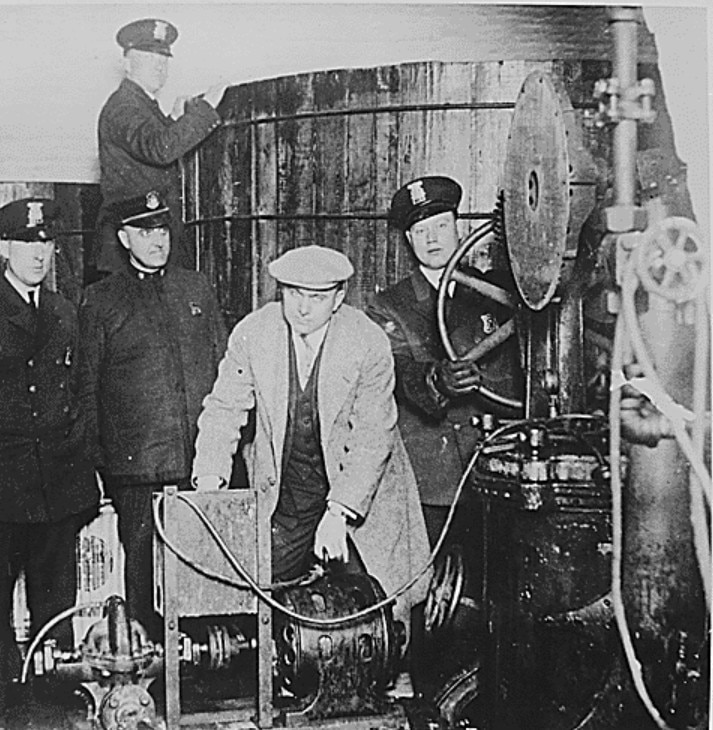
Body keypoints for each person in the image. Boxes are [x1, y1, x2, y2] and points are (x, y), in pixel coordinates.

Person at [191, 245, 431, 628]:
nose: (303, 308)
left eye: (316, 297)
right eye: (293, 293)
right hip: (288, 492)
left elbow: (372, 437)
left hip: (359, 488)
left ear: (338, 298)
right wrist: (209, 480)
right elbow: (224, 409)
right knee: (264, 600)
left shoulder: (367, 342)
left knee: (377, 610)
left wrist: (339, 512)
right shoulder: (254, 334)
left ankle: (394, 679)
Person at [0, 198, 98, 728]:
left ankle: (53, 712)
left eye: (46, 243)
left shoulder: (63, 313)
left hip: (56, 490)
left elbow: (79, 393)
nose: (38, 253)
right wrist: (2, 457)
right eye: (27, 243)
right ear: (5, 248)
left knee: (57, 613)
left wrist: (67, 456)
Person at [79, 190, 228, 641]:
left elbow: (226, 365)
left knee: (204, 567)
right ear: (124, 238)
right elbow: (87, 388)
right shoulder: (101, 300)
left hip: (199, 464)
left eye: (161, 230)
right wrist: (98, 465)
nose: (156, 240)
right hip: (137, 468)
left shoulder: (195, 287)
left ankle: (203, 666)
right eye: (144, 231)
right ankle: (151, 668)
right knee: (142, 574)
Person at [366, 176, 522, 570]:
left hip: (494, 470)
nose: (432, 239)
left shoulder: (500, 293)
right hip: (428, 482)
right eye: (420, 231)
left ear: (459, 228)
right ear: (408, 240)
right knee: (427, 589)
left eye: (441, 226)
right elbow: (397, 368)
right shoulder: (388, 306)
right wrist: (436, 380)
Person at [95, 17, 226, 273]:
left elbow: (144, 145)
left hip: (148, 236)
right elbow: (159, 149)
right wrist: (206, 110)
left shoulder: (140, 104)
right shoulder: (123, 106)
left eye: (163, 60)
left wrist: (172, 120)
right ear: (127, 64)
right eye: (149, 59)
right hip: (130, 242)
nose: (159, 68)